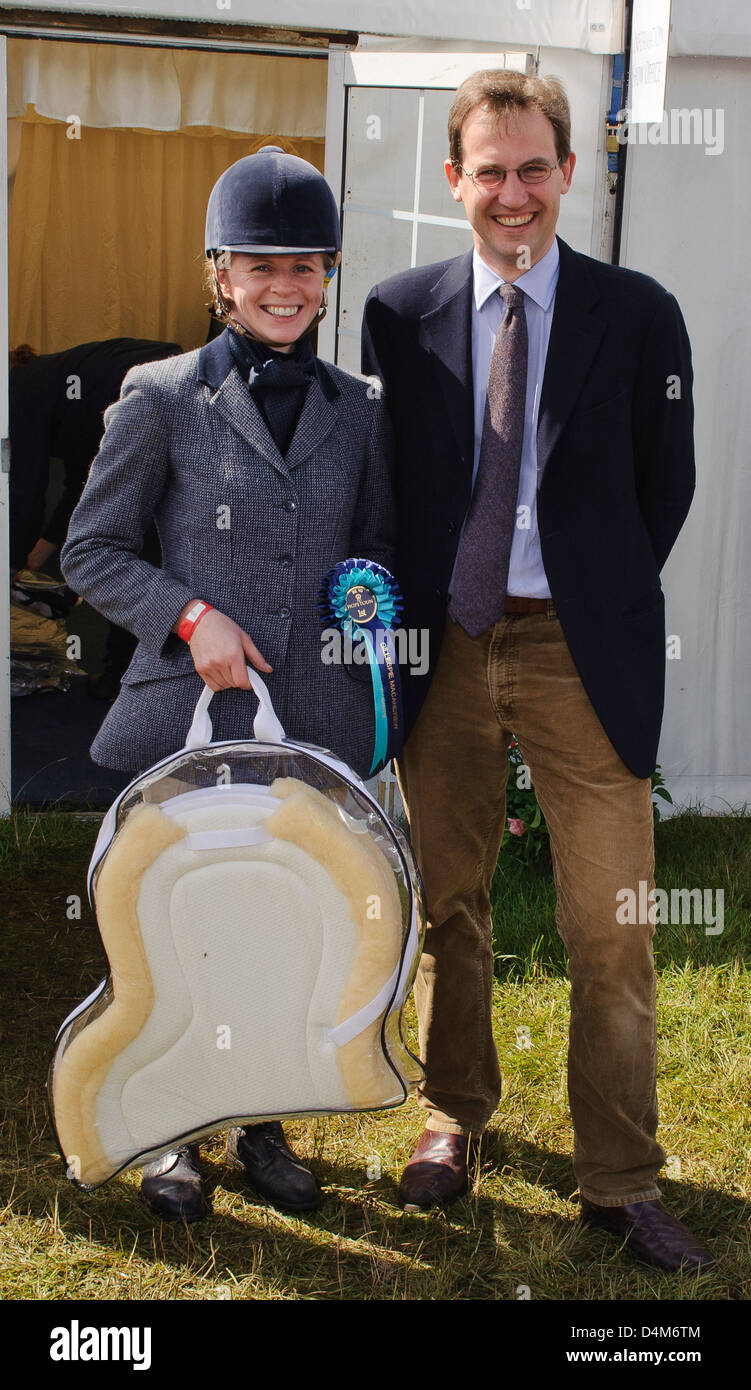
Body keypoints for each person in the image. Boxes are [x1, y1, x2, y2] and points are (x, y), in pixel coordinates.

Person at [361, 70, 711, 1270]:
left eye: (532, 168)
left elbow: (665, 482)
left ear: (570, 173)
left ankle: (618, 1178)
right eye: (487, 171)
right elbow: (397, 486)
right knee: (444, 903)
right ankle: (452, 1114)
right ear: (453, 179)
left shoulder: (638, 314)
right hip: (446, 650)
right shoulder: (397, 314)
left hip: (578, 651)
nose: (511, 193)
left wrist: (595, 598)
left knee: (609, 924)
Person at [61, 147, 395, 1222]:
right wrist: (189, 614)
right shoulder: (159, 397)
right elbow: (92, 552)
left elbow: (374, 554)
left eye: (304, 264)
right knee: (182, 925)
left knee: (286, 927)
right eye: (261, 265)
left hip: (317, 721)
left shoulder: (364, 408)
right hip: (193, 716)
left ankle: (262, 1117)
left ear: (328, 273)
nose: (284, 284)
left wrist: (370, 621)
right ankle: (172, 1133)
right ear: (220, 273)